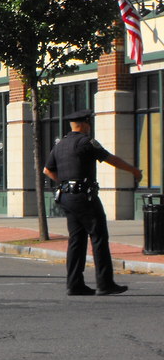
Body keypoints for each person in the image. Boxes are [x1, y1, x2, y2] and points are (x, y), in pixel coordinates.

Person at [43, 109, 141, 296]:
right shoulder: (86, 142)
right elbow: (110, 158)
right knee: (99, 237)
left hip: (66, 197)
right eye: (89, 123)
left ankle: (74, 284)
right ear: (85, 124)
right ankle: (105, 284)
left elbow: (47, 170)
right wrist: (133, 170)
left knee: (76, 241)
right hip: (84, 197)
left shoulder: (60, 144)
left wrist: (65, 183)